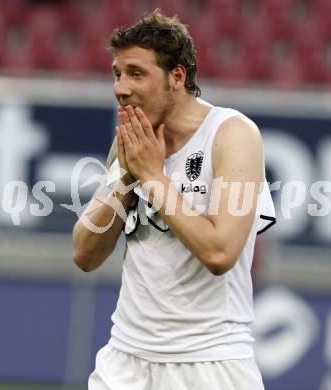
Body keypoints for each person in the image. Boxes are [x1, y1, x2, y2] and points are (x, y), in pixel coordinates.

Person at [72, 9, 276, 390]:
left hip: (208, 363)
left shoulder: (231, 135)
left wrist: (151, 176)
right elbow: (84, 254)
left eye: (136, 73)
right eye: (117, 73)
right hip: (125, 360)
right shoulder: (131, 143)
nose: (120, 87)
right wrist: (128, 178)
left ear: (177, 77)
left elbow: (220, 253)